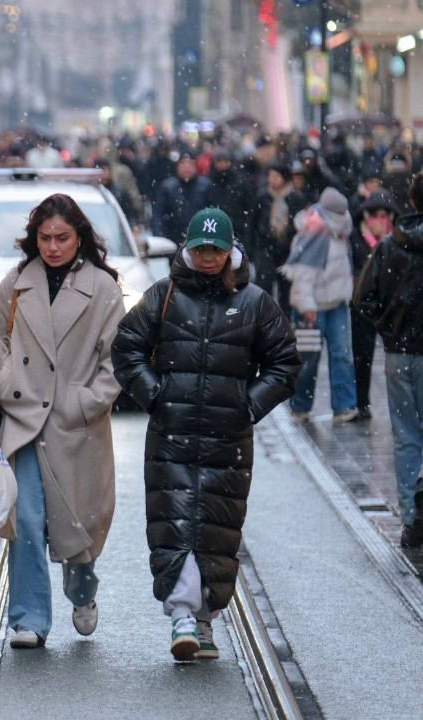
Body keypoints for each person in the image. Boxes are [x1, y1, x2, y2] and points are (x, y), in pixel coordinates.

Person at [112, 208, 300, 662]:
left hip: (227, 438)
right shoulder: (164, 295)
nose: (209, 257)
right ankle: (181, 615)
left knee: (218, 526)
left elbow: (285, 362)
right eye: (201, 250)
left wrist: (248, 404)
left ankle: (205, 620)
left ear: (231, 250)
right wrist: (155, 395)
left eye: (217, 250)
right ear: (188, 250)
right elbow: (126, 346)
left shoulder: (254, 302)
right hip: (171, 435)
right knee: (174, 522)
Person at [0, 194, 125, 649]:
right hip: (23, 416)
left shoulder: (103, 288)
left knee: (77, 526)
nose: (52, 247)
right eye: (44, 237)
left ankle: (82, 592)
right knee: (25, 518)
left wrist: (84, 402)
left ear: (79, 237)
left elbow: (118, 360)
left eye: (62, 237)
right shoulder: (15, 284)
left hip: (75, 424)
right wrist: (9, 384)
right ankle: (29, 618)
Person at [353, 173, 423, 548]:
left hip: (399, 354)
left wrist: (388, 326)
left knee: (407, 437)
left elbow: (362, 298)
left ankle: (412, 519)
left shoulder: (388, 246)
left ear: (410, 204)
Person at [281, 187, 359, 423]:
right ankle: (300, 405)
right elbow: (302, 276)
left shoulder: (339, 232)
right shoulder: (311, 233)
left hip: (337, 303)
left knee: (342, 355)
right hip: (311, 308)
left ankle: (345, 406)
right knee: (307, 359)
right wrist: (308, 308)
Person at [349, 190, 398, 420]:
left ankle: (399, 404)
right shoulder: (356, 237)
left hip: (391, 305)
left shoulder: (396, 240)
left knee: (397, 357)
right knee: (362, 355)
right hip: (364, 305)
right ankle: (362, 402)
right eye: (376, 215)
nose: (380, 220)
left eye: (384, 215)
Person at [249, 163, 305, 317]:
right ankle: (264, 320)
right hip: (264, 248)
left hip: (286, 250)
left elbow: (300, 225)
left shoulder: (295, 197)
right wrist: (251, 249)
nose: (271, 180)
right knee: (264, 286)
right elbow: (252, 223)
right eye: (270, 176)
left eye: (276, 177)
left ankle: (284, 322)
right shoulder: (262, 196)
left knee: (285, 290)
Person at [152, 154, 217, 244]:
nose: (186, 167)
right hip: (173, 239)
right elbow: (158, 214)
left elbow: (214, 213)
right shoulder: (167, 187)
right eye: (183, 164)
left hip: (200, 240)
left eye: (190, 164)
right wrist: (159, 237)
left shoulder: (206, 186)